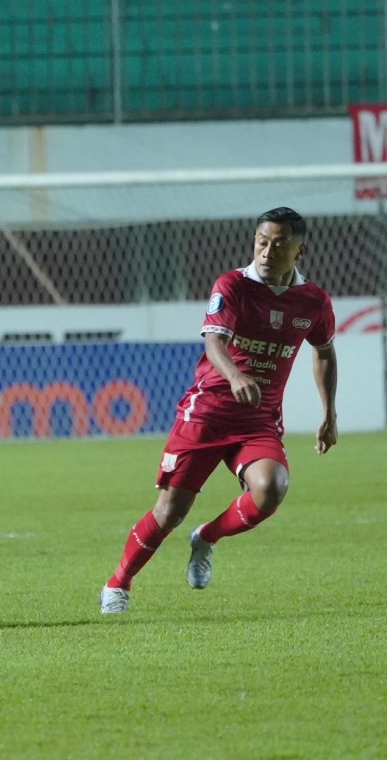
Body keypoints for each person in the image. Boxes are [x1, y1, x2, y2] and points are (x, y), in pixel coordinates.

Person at [100, 206, 338, 614]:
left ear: (300, 251)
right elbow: (214, 343)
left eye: (279, 244)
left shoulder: (313, 301)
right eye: (261, 242)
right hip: (207, 412)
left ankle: (207, 537)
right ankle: (118, 584)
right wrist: (235, 377)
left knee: (271, 488)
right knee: (171, 510)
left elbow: (324, 353)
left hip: (258, 419)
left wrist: (329, 414)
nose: (266, 252)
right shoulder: (233, 285)